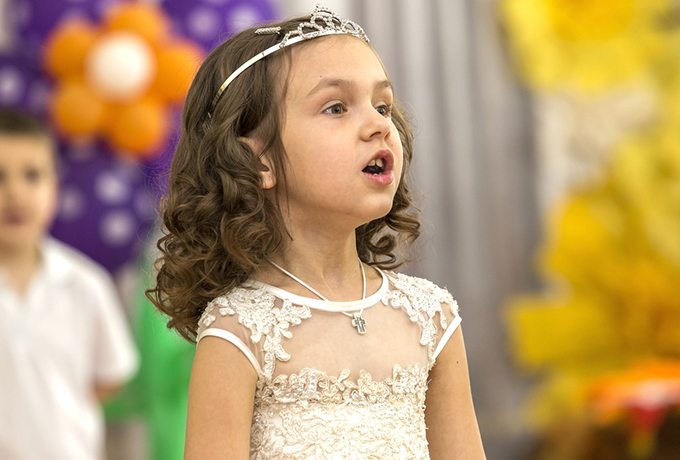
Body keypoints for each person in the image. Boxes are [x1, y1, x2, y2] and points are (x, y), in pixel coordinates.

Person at [149, 4, 487, 459]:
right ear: (258, 161)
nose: (379, 125)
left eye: (383, 106)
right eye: (336, 107)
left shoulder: (432, 318)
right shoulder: (240, 330)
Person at [0, 108, 139, 460]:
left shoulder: (86, 284)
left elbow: (110, 376)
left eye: (32, 175)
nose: (15, 193)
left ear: (54, 189)